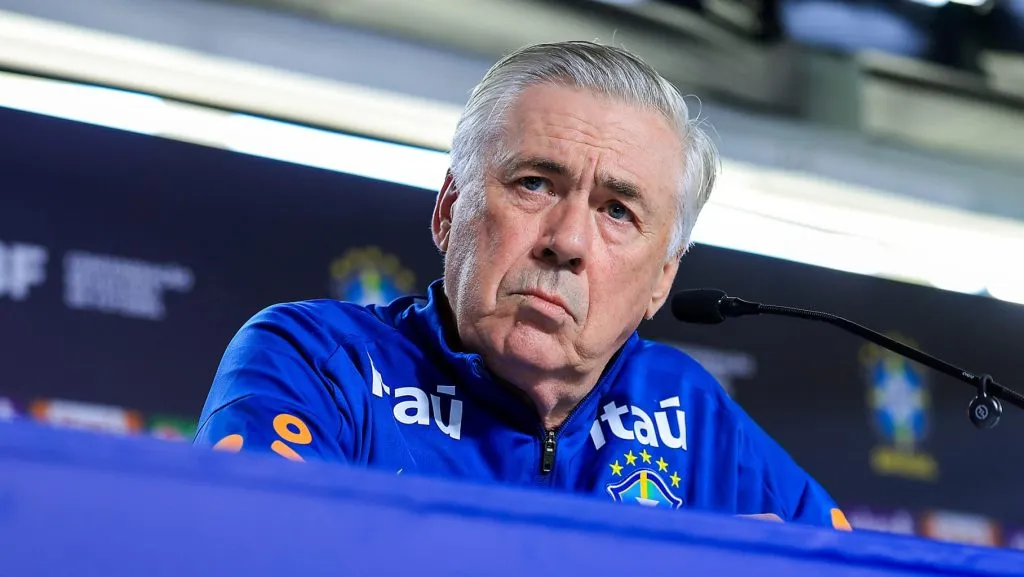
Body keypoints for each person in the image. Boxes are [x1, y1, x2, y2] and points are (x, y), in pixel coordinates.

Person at [193, 40, 851, 531]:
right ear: (450, 207)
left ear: (663, 278)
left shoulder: (693, 413)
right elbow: (256, 545)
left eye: (617, 211)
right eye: (534, 183)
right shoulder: (318, 359)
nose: (567, 241)